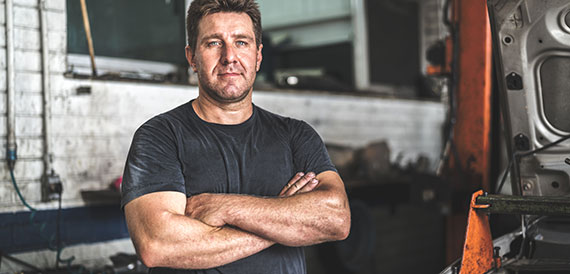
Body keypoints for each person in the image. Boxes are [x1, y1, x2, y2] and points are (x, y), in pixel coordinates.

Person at [121, 0, 351, 273]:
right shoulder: (159, 137)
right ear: (191, 57)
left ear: (258, 56)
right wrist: (285, 219)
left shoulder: (296, 136)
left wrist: (225, 208)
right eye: (214, 43)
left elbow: (336, 219)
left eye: (241, 42)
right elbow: (158, 245)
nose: (229, 56)